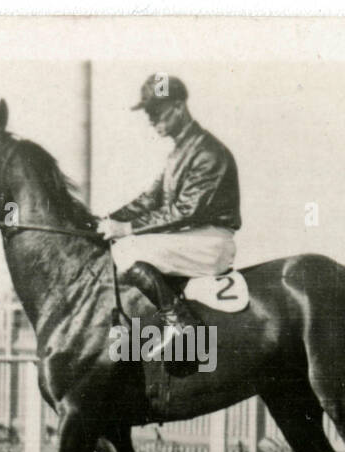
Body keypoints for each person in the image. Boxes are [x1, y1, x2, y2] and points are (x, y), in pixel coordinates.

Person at [98, 74, 241, 368]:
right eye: (148, 113)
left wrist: (126, 229)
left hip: (210, 239)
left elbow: (186, 210)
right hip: (191, 237)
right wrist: (107, 219)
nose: (151, 120)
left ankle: (182, 323)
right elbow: (150, 199)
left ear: (178, 107)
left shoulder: (208, 151)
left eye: (156, 112)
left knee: (126, 249)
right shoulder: (179, 152)